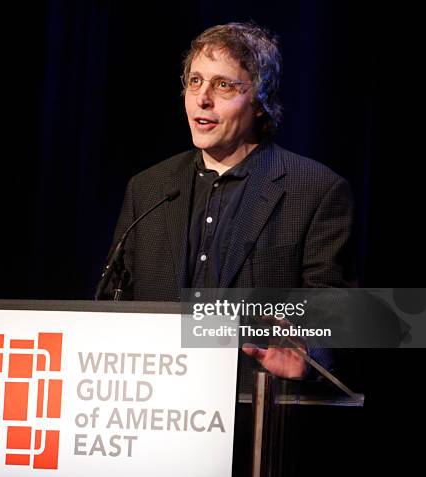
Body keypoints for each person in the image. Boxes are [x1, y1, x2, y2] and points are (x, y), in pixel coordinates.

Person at [101, 22, 356, 379]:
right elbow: (116, 301)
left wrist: (310, 353)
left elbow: (334, 311)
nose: (202, 98)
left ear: (260, 100)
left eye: (223, 85)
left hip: (255, 407)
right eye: (194, 81)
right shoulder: (148, 188)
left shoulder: (315, 190)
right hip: (156, 405)